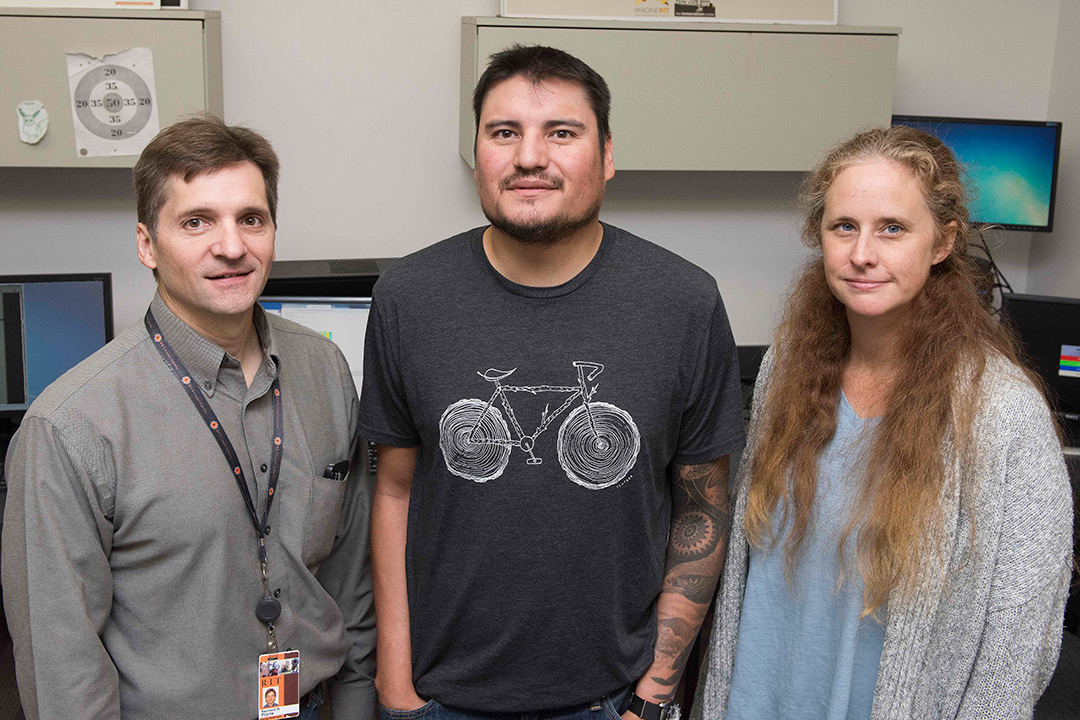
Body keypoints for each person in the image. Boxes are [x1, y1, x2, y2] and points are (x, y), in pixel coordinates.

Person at [360, 44, 745, 720]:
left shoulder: (684, 302)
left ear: (607, 155)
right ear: (477, 151)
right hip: (439, 698)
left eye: (561, 133)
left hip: (611, 700)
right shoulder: (407, 297)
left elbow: (703, 508)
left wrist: (653, 695)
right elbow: (393, 490)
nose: (529, 156)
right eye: (503, 132)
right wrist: (396, 685)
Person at [2, 115, 376, 720]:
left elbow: (351, 578)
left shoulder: (325, 369)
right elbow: (62, 663)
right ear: (147, 244)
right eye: (196, 222)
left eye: (250, 219)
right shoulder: (71, 427)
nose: (231, 247)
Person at [697, 126, 1074, 719]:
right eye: (843, 226)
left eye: (892, 229)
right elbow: (753, 574)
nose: (862, 253)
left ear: (943, 241)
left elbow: (1017, 647)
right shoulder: (785, 370)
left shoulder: (1001, 412)